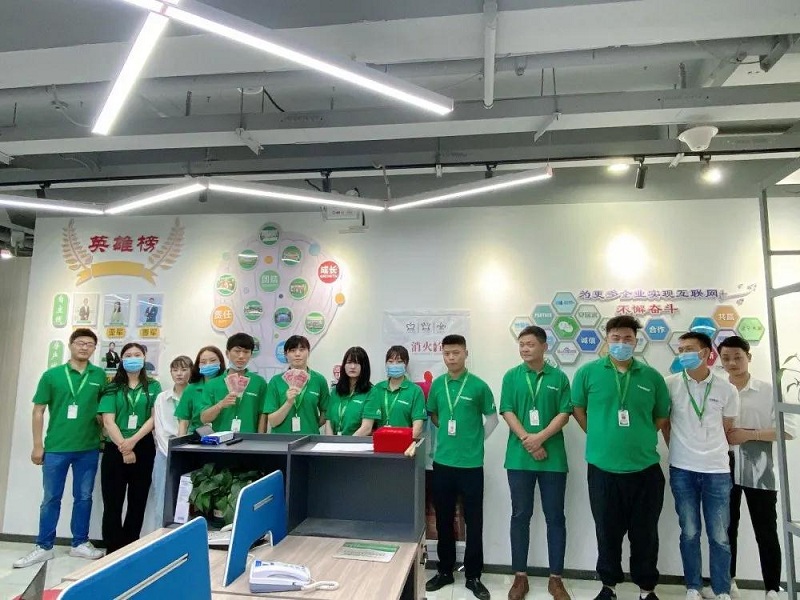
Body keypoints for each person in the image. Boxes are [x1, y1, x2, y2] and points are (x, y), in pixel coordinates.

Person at [571, 315, 670, 600]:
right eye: (616, 338)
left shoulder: (652, 377)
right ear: (607, 340)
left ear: (636, 342)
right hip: (603, 469)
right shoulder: (588, 373)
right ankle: (609, 586)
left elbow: (661, 416)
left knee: (645, 534)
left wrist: (639, 436)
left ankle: (646, 589)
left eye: (628, 339)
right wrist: (599, 434)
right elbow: (578, 409)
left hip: (645, 469)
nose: (621, 343)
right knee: (607, 532)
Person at [13, 329, 107, 569]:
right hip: (56, 447)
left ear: (94, 348)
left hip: (88, 447)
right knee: (51, 498)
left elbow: (104, 412)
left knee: (84, 497)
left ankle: (80, 543)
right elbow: (38, 411)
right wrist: (37, 445)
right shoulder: (52, 375)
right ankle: (44, 546)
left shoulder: (99, 376)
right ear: (71, 345)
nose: (84, 347)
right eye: (80, 343)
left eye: (89, 344)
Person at [666, 332, 739, 600]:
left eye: (690, 349)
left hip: (717, 470)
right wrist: (678, 448)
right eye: (681, 349)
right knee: (689, 532)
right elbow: (664, 424)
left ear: (706, 353)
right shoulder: (669, 384)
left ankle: (721, 589)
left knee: (719, 535)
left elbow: (727, 427)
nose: (684, 353)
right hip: (682, 469)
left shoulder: (726, 389)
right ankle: (693, 587)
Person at [501, 326, 572, 600]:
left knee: (556, 517)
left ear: (544, 346)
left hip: (553, 460)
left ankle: (556, 579)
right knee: (520, 516)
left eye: (530, 344)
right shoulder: (511, 376)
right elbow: (507, 410)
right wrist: (527, 440)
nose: (524, 349)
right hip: (519, 459)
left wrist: (539, 439)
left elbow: (564, 413)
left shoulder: (559, 377)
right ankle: (520, 577)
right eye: (521, 344)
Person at [425, 334, 498, 600]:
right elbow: (434, 415)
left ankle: (473, 576)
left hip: (471, 465)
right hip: (443, 463)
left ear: (466, 353)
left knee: (474, 522)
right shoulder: (437, 385)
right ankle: (444, 571)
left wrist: (475, 441)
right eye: (447, 353)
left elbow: (492, 419)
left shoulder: (478, 386)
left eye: (456, 352)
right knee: (443, 520)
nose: (451, 357)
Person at [719, 336, 790, 600]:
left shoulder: (768, 390)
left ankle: (772, 587)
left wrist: (749, 435)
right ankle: (728, 582)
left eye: (737, 357)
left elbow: (788, 430)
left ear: (748, 357)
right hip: (721, 464)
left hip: (759, 466)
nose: (732, 363)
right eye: (726, 358)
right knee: (726, 527)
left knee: (765, 528)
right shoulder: (717, 389)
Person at [98, 342, 162, 554]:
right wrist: (125, 448)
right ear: (121, 359)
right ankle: (112, 550)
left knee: (137, 502)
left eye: (137, 354)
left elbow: (154, 418)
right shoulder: (112, 387)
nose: (133, 358)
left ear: (144, 358)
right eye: (128, 355)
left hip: (143, 448)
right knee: (112, 503)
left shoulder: (153, 386)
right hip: (115, 448)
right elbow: (108, 421)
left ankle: (129, 548)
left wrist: (133, 442)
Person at [145, 355, 192, 532]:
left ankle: (185, 537)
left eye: (184, 369)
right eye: (175, 370)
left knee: (187, 500)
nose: (179, 374)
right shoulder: (161, 398)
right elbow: (159, 428)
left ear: (191, 372)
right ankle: (160, 537)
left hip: (191, 453)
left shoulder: (196, 395)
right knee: (162, 500)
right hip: (164, 453)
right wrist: (171, 450)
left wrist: (183, 449)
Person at [199, 333, 268, 433]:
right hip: (220, 439)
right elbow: (204, 419)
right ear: (227, 353)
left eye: (246, 352)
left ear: (251, 354)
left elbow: (262, 414)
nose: (241, 356)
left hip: (250, 439)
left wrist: (260, 438)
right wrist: (220, 405)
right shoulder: (212, 384)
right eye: (237, 351)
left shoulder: (259, 382)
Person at [265, 335, 330, 434]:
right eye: (293, 350)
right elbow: (273, 422)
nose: (297, 354)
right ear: (286, 354)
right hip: (281, 439)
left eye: (302, 349)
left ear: (308, 352)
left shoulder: (319, 380)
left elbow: (326, 411)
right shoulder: (276, 381)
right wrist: (288, 402)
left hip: (310, 437)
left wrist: (312, 425)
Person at [364, 345, 426, 438]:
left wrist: (402, 442)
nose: (394, 365)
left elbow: (418, 427)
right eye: (390, 361)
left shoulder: (415, 391)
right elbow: (368, 424)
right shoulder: (377, 389)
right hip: (379, 442)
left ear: (406, 364)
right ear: (386, 364)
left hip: (404, 443)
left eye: (399, 362)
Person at [176, 346, 226, 436]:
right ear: (198, 365)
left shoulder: (228, 385)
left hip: (225, 436)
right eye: (203, 362)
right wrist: (180, 441)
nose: (208, 364)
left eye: (213, 360)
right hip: (198, 438)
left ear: (220, 362)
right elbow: (183, 421)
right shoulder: (191, 389)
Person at [324, 347, 374, 436]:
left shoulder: (371, 392)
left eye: (357, 363)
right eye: (349, 362)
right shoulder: (335, 391)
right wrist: (330, 442)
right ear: (344, 365)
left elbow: (366, 428)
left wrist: (347, 443)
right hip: (333, 443)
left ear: (364, 366)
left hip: (357, 443)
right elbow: (328, 422)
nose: (352, 366)